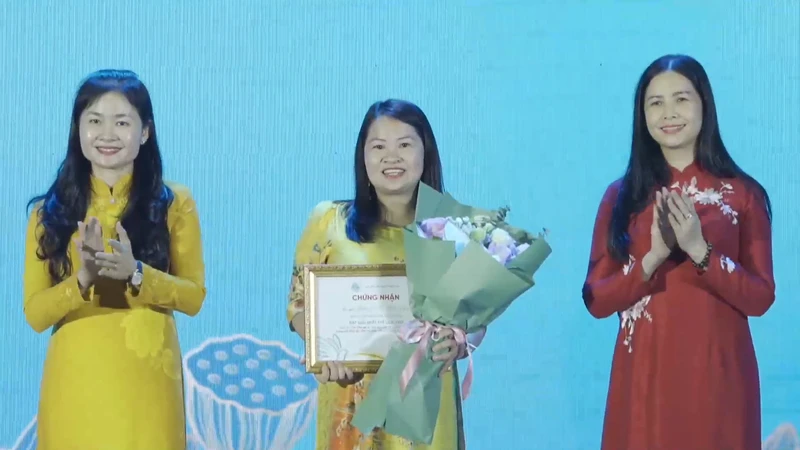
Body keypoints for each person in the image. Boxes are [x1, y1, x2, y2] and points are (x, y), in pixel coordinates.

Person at [582, 54, 775, 450]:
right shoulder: (621, 197)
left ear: (705, 104)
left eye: (681, 99)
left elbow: (761, 297)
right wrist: (652, 259)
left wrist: (700, 251)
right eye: (656, 103)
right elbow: (597, 299)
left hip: (719, 376)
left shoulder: (743, 195)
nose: (669, 113)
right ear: (642, 116)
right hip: (644, 376)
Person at [23, 69, 206, 449]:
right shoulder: (48, 212)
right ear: (78, 130)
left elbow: (193, 297)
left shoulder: (174, 204)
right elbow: (36, 315)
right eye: (94, 121)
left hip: (147, 391)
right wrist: (82, 281)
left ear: (145, 132)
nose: (107, 134)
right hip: (75, 386)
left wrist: (137, 273)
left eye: (122, 122)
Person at [287, 99, 485, 450]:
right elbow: (298, 305)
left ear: (426, 153)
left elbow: (474, 318)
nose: (391, 157)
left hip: (425, 406)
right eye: (378, 147)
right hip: (350, 405)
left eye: (404, 145)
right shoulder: (329, 222)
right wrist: (324, 349)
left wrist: (457, 342)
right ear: (362, 157)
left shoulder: (451, 231)